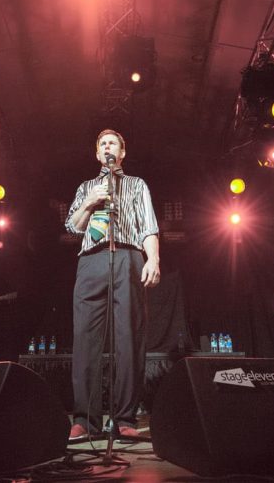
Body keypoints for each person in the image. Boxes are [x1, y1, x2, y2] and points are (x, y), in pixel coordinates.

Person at [64, 129, 160, 441]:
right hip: (91, 258)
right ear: (97, 154)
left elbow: (148, 227)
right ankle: (85, 419)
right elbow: (73, 225)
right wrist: (90, 202)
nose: (107, 147)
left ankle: (124, 419)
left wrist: (153, 260)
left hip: (128, 256)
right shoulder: (86, 187)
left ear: (121, 153)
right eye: (102, 143)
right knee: (85, 337)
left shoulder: (137, 185)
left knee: (128, 336)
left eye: (113, 143)